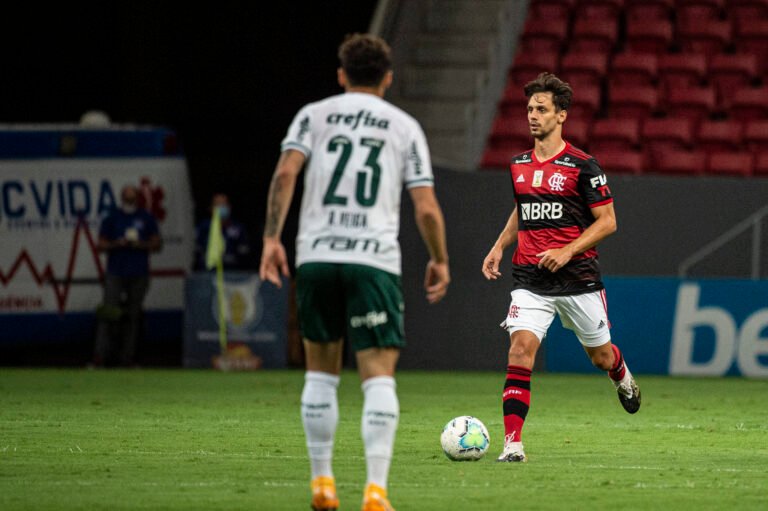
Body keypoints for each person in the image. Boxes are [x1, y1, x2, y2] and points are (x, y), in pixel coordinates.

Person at [260, 33, 450, 511]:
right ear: (388, 78)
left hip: (318, 256)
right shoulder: (404, 126)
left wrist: (270, 238)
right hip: (373, 261)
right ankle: (375, 490)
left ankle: (322, 483)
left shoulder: (313, 115)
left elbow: (285, 174)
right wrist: (439, 258)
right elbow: (425, 206)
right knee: (378, 377)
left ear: (341, 75)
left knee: (320, 374)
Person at [481, 72, 641, 463]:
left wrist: (568, 250)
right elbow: (523, 210)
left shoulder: (583, 165)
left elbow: (608, 221)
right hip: (530, 279)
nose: (533, 116)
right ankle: (513, 444)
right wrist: (499, 245)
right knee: (520, 351)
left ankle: (622, 375)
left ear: (562, 115)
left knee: (600, 358)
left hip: (578, 279)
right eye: (530, 109)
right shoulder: (518, 164)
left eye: (542, 109)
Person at [93, 185, 162, 367]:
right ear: (121, 198)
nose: (130, 201)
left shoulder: (145, 217)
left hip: (138, 273)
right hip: (115, 272)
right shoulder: (112, 217)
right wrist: (118, 243)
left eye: (133, 198)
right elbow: (100, 244)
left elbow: (156, 243)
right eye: (127, 198)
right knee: (109, 313)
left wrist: (140, 244)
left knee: (133, 316)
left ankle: (128, 359)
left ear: (137, 199)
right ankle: (100, 357)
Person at [194, 193, 252, 270]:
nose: (221, 208)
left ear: (229, 207)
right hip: (207, 272)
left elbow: (244, 253)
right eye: (218, 205)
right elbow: (196, 251)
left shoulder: (238, 228)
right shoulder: (203, 227)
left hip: (233, 272)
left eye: (224, 204)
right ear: (211, 208)